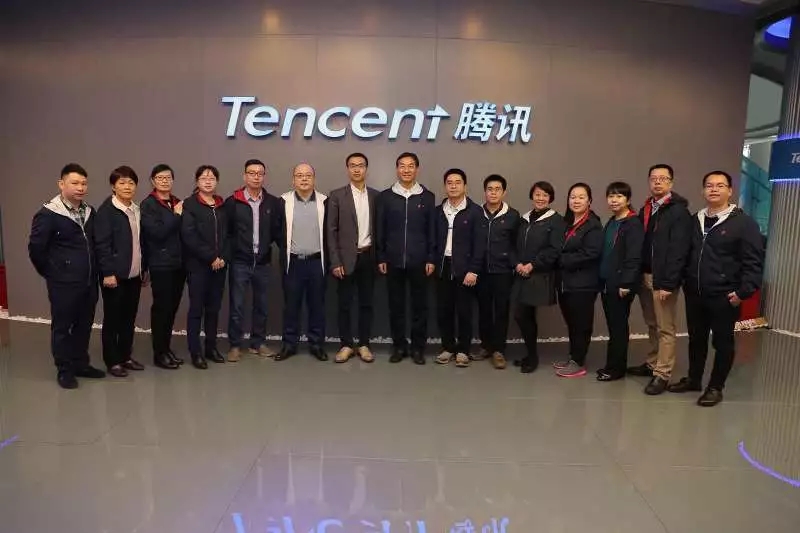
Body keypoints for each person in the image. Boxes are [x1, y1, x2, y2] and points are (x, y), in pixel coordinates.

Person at [668, 171, 764, 406]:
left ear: (730, 191)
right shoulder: (696, 219)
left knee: (722, 343)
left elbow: (753, 262)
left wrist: (742, 292)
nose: (714, 189)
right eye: (709, 185)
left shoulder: (744, 223)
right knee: (696, 339)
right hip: (695, 292)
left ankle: (715, 387)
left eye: (720, 185)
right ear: (703, 190)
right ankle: (694, 379)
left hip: (725, 295)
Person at [28, 163, 106, 389]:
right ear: (61, 184)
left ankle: (81, 364)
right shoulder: (48, 214)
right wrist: (54, 273)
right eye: (75, 183)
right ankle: (64, 370)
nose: (80, 187)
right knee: (62, 327)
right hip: (63, 284)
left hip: (89, 282)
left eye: (84, 183)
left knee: (84, 325)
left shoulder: (89, 211)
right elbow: (36, 249)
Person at [628, 164, 692, 395]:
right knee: (652, 324)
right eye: (654, 178)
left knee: (665, 328)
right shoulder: (647, 208)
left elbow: (679, 250)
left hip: (662, 279)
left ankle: (662, 374)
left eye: (663, 178)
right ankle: (652, 363)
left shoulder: (678, 212)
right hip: (644, 275)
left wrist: (669, 283)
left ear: (671, 183)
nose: (657, 182)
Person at [376, 152, 436, 365]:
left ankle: (418, 348)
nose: (406, 170)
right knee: (396, 307)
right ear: (397, 169)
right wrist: (381, 256)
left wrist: (431, 257)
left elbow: (432, 230)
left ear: (417, 169)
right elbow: (380, 228)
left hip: (419, 261)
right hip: (393, 261)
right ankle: (399, 346)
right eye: (402, 166)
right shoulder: (386, 197)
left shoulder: (427, 197)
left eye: (411, 166)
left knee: (420, 307)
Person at [224, 159, 282, 362]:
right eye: (252, 173)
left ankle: (258, 343)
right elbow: (226, 232)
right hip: (240, 262)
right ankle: (235, 345)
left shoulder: (272, 202)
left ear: (264, 176)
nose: (256, 177)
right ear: (244, 176)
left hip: (263, 262)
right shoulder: (233, 201)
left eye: (260, 173)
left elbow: (277, 231)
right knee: (237, 306)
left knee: (262, 306)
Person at [95, 166, 147, 378]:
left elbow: (140, 243)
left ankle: (125, 356)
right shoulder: (106, 211)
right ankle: (112, 360)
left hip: (134, 274)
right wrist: (107, 272)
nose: (127, 187)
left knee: (129, 318)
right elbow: (102, 244)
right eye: (122, 183)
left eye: (131, 183)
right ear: (113, 186)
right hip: (114, 276)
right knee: (113, 320)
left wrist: (143, 269)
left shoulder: (136, 209)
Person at [327, 153, 378, 363]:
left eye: (361, 165)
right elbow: (330, 231)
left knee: (367, 304)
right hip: (345, 259)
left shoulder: (376, 196)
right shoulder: (337, 195)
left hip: (368, 257)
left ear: (366, 169)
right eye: (352, 165)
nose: (357, 169)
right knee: (344, 305)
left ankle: (364, 344)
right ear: (347, 169)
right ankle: (346, 345)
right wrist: (335, 261)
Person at [276, 163, 329, 362]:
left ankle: (316, 345)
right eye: (299, 175)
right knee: (291, 306)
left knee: (317, 306)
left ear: (314, 179)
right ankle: (289, 344)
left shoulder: (325, 201)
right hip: (294, 263)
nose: (304, 179)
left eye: (308, 175)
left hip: (317, 263)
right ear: (293, 180)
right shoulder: (283, 201)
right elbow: (276, 231)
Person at [433, 169, 485, 367]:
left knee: (464, 311)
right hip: (442, 266)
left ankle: (463, 350)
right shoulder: (438, 211)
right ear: (445, 186)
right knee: (443, 310)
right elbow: (432, 240)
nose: (453, 186)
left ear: (465, 186)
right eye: (449, 182)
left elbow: (480, 244)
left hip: (465, 269)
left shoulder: (475, 211)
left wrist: (474, 270)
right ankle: (448, 347)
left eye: (457, 182)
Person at [181, 165, 229, 369]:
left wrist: (223, 257)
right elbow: (189, 236)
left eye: (212, 178)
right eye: (203, 178)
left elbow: (230, 235)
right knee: (196, 310)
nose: (208, 181)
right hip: (198, 266)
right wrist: (211, 257)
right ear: (197, 182)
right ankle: (195, 352)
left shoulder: (221, 204)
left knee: (213, 309)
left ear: (216, 181)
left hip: (220, 266)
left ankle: (211, 347)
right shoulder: (190, 205)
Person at [514, 182, 565, 373]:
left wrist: (533, 265)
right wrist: (517, 263)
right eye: (537, 194)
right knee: (522, 315)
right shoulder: (524, 219)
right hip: (521, 273)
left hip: (539, 274)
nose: (540, 198)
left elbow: (554, 249)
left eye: (545, 195)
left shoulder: (556, 220)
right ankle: (530, 354)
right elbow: (515, 245)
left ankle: (532, 357)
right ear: (532, 196)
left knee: (525, 315)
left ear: (550, 198)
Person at [554, 183, 603, 378]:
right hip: (565, 283)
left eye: (581, 197)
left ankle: (579, 362)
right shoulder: (566, 222)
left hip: (583, 284)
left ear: (589, 201)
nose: (576, 201)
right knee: (572, 323)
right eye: (573, 197)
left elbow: (591, 253)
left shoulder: (593, 224)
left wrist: (561, 259)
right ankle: (573, 357)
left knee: (581, 324)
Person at [597, 182, 644, 382]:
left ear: (628, 199)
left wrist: (626, 283)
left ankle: (616, 369)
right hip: (607, 282)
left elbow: (634, 256)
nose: (614, 200)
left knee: (618, 327)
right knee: (613, 326)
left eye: (619, 196)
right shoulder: (612, 221)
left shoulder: (633, 223)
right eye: (611, 196)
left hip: (621, 284)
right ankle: (611, 365)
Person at [140, 164, 184, 370]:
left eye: (168, 177)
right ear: (152, 181)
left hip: (178, 264)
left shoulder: (176, 201)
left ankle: (166, 349)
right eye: (160, 177)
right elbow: (157, 233)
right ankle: (159, 353)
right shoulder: (148, 204)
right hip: (161, 264)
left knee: (172, 309)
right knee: (161, 310)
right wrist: (176, 216)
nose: (165, 181)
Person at [477, 174, 520, 370]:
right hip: (481, 272)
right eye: (490, 189)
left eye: (497, 189)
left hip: (503, 272)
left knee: (501, 311)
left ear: (504, 192)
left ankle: (498, 350)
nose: (493, 193)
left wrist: (513, 264)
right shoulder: (477, 213)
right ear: (484, 192)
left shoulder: (512, 215)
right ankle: (486, 346)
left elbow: (516, 245)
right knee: (484, 310)